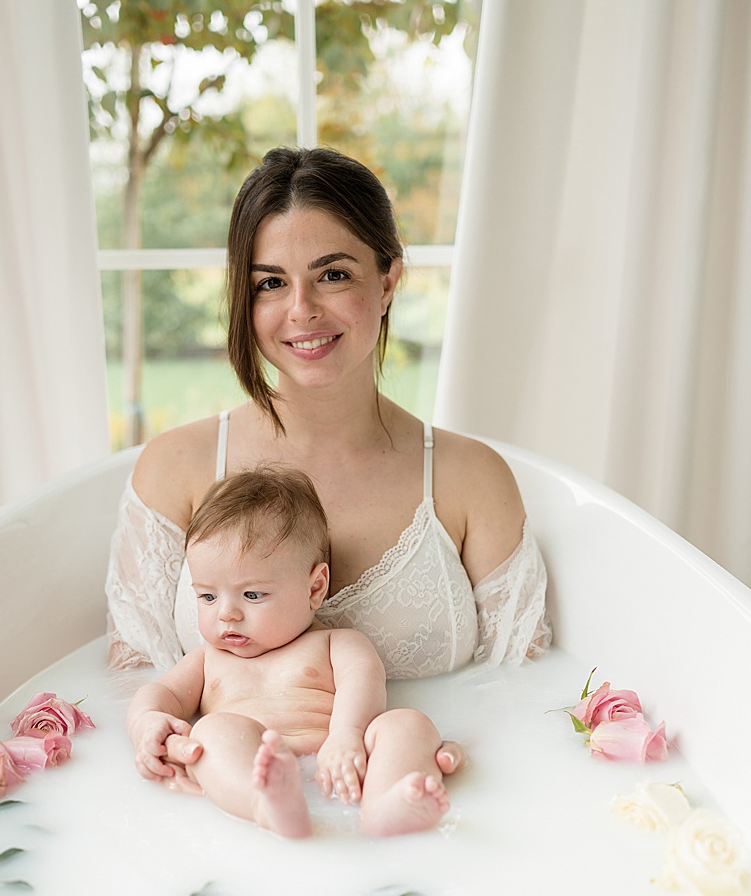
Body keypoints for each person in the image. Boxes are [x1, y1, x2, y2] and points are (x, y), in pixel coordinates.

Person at [105, 147, 549, 789]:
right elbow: (127, 682)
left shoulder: (471, 480)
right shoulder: (178, 469)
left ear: (389, 279)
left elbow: (530, 685)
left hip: (423, 801)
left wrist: (446, 756)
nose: (302, 310)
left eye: (334, 275)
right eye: (270, 283)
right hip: (219, 807)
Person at [128, 467, 451, 839]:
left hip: (340, 763)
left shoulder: (336, 643)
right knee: (212, 732)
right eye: (207, 596)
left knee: (408, 724)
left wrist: (346, 735)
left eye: (252, 595)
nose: (226, 613)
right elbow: (159, 694)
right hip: (253, 767)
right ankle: (263, 804)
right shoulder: (208, 658)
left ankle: (386, 803)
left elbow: (363, 682)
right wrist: (146, 723)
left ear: (315, 588)